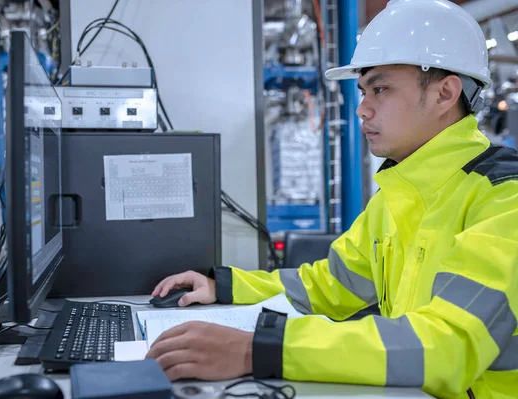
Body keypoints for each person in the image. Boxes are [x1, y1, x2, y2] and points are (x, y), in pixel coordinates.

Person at [145, 1, 518, 398]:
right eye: (362, 91)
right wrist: (226, 286)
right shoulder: (399, 196)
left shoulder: (503, 200)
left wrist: (261, 349)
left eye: (380, 88)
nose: (362, 108)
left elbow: (446, 345)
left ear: (445, 93)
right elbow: (331, 285)